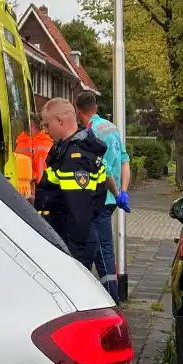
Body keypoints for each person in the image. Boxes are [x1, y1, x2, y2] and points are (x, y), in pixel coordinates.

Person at [33, 98, 107, 266]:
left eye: (46, 125)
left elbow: (78, 210)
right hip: (72, 236)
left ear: (59, 121)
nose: (45, 131)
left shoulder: (76, 158)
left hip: (74, 242)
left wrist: (73, 254)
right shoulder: (70, 149)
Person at [75, 91, 131, 302]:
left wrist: (116, 193)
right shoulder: (112, 127)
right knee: (100, 247)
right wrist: (124, 192)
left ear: (79, 111)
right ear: (96, 107)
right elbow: (124, 160)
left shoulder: (90, 132)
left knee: (99, 247)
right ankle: (102, 293)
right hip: (113, 199)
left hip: (100, 197)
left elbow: (104, 169)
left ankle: (111, 297)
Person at [13, 114, 53, 197]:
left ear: (31, 123)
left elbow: (44, 169)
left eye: (23, 122)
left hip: (39, 190)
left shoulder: (46, 142)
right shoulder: (21, 141)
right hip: (21, 190)